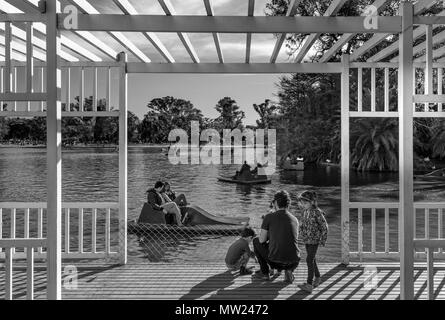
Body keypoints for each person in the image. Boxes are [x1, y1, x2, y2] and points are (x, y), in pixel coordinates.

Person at [253, 190, 300, 283]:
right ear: (288, 204)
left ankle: (264, 273)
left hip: (276, 262)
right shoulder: (295, 219)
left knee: (256, 241)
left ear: (275, 203)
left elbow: (262, 240)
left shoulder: (269, 217)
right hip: (294, 261)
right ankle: (289, 270)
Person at [296, 190, 329, 293]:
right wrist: (300, 233)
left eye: (305, 203)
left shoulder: (317, 212)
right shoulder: (305, 211)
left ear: (312, 202)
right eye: (302, 203)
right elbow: (302, 224)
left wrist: (323, 240)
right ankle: (318, 277)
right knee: (312, 258)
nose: (303, 205)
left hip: (314, 240)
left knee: (309, 260)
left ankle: (309, 284)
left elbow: (324, 227)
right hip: (307, 239)